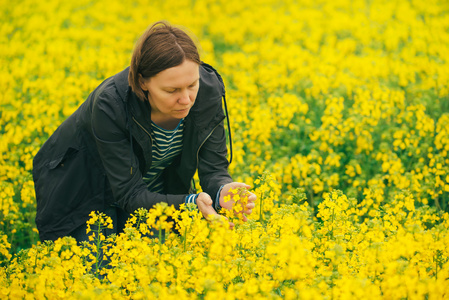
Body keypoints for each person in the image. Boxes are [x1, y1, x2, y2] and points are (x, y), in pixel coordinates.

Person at [33, 21, 257, 242]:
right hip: (89, 192)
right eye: (171, 90)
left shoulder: (208, 91)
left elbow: (214, 167)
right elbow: (128, 193)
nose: (186, 99)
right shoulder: (110, 105)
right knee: (100, 273)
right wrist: (190, 203)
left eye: (192, 85)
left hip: (150, 191)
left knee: (159, 262)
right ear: (142, 82)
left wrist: (221, 191)